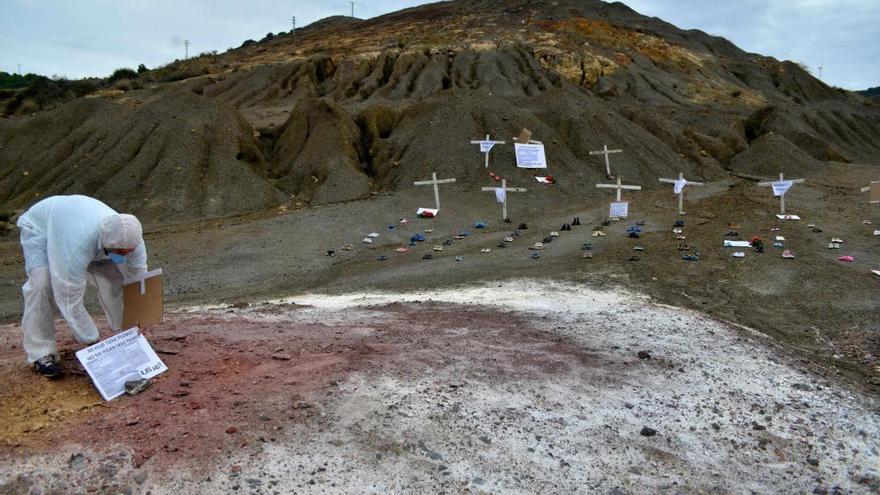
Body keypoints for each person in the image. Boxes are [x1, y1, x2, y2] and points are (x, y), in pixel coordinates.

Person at [17, 195, 148, 378]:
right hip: (42, 228)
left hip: (83, 230)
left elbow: (138, 277)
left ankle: (124, 332)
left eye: (128, 252)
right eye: (119, 252)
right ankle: (41, 352)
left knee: (115, 277)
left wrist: (139, 319)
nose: (124, 255)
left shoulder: (131, 239)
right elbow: (69, 297)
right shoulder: (77, 247)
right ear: (106, 242)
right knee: (42, 284)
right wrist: (92, 342)